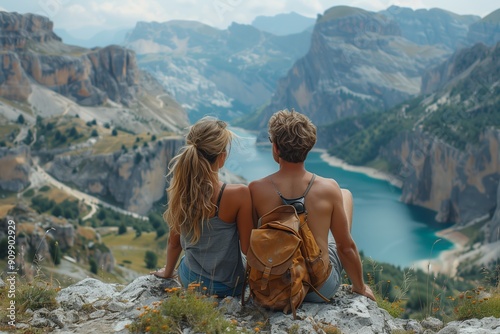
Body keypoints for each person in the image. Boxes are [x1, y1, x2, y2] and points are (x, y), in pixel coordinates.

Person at [248, 109, 376, 302]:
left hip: (276, 284)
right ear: (309, 147)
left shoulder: (256, 189)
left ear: (275, 148)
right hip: (320, 289)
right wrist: (360, 287)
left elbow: (252, 243)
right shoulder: (328, 188)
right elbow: (346, 247)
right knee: (345, 195)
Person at [151, 116, 253, 297]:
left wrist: (167, 272)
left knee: (186, 260)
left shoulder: (180, 191)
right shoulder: (239, 194)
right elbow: (247, 249)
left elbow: (174, 243)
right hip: (230, 287)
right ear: (222, 158)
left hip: (191, 281)